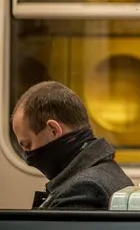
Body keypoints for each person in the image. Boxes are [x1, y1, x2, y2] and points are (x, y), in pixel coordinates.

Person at [11, 81, 133, 210]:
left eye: (28, 145)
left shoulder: (81, 191)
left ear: (53, 130)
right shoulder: (109, 170)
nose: (28, 157)